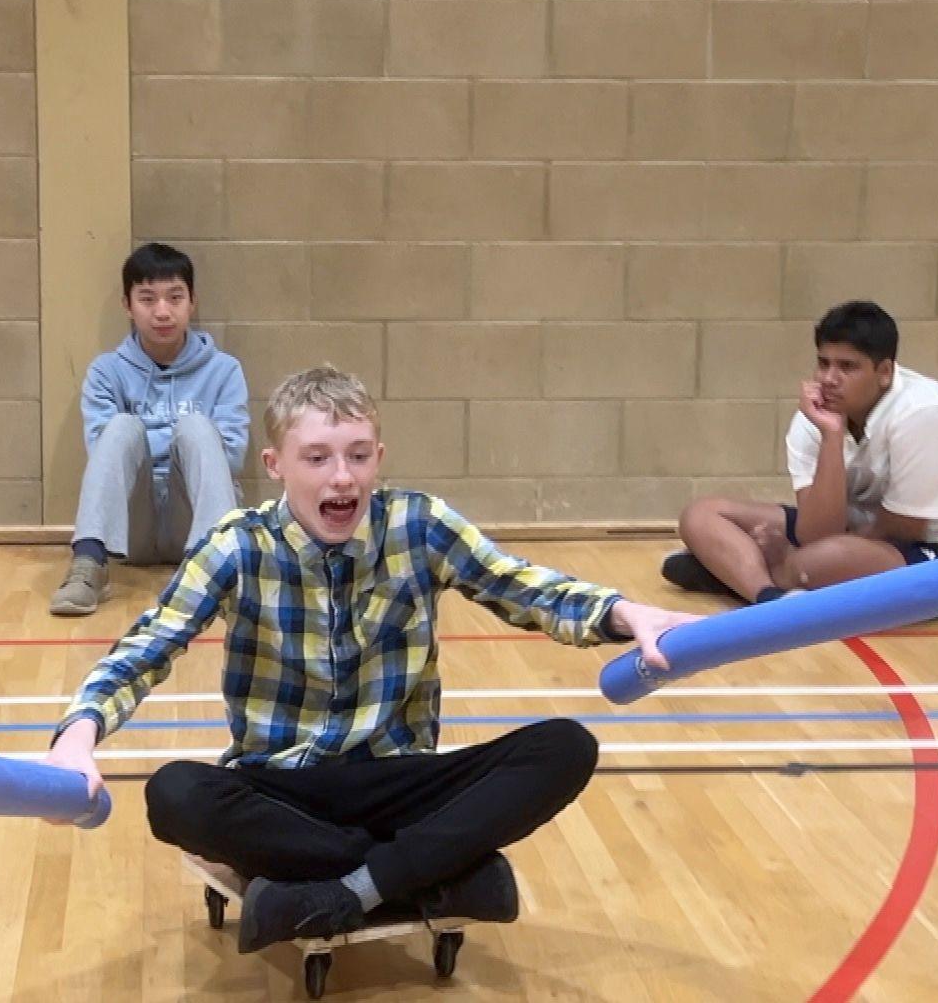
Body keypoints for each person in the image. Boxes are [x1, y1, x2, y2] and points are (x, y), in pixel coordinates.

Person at [44, 367, 698, 954]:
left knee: (565, 747)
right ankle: (431, 876)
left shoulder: (418, 524)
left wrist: (624, 613)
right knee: (174, 795)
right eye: (317, 457)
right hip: (287, 792)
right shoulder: (237, 546)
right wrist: (77, 736)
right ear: (275, 464)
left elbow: (524, 587)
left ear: (378, 458)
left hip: (399, 780)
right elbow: (146, 647)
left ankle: (346, 890)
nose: (342, 477)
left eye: (358, 455)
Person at [664, 300, 938, 604]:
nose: (829, 379)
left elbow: (905, 528)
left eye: (847, 367)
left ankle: (739, 573)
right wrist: (832, 435)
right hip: (857, 533)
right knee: (701, 515)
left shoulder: (924, 413)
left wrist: (793, 554)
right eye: (823, 363)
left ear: (884, 372)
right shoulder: (814, 415)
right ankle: (768, 596)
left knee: (821, 559)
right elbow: (817, 532)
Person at [49, 242, 249, 616]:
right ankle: (89, 564)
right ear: (127, 305)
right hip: (131, 527)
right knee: (121, 426)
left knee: (196, 427)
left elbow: (232, 458)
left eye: (175, 297)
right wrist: (157, 439)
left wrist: (183, 439)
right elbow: (103, 456)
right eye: (147, 298)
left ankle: (220, 573)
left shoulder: (224, 370)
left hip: (194, 517)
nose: (162, 311)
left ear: (192, 302)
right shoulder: (106, 372)